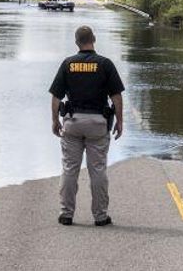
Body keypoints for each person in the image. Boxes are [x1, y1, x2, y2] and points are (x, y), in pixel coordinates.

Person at [48, 25, 125, 227]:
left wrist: (55, 120)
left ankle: (66, 214)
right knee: (97, 170)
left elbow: (56, 96)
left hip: (72, 123)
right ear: (94, 39)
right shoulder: (105, 64)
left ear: (76, 43)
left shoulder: (68, 64)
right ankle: (100, 216)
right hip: (98, 124)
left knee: (69, 169)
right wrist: (120, 121)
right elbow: (116, 96)